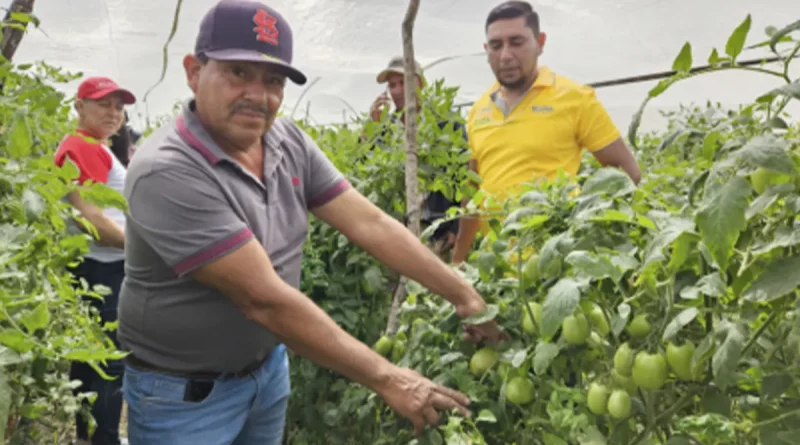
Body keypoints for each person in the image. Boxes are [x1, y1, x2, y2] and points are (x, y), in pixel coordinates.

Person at [118, 2, 504, 445]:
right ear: (193, 71)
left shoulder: (286, 140)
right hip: (184, 400)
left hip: (266, 372)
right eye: (238, 73)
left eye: (273, 81)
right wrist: (391, 378)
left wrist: (463, 294)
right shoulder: (166, 171)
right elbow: (263, 301)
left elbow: (370, 222)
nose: (258, 95)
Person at [451, 1, 642, 263]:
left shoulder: (575, 99)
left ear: (540, 42)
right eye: (496, 45)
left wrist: (610, 238)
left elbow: (627, 173)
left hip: (556, 265)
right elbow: (472, 191)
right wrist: (458, 261)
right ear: (486, 50)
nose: (505, 55)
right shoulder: (478, 110)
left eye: (516, 42)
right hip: (495, 273)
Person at [54, 76, 135, 445]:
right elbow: (90, 218)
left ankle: (86, 436)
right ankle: (104, 438)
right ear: (79, 105)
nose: (113, 113)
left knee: (89, 358)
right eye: (103, 104)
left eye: (118, 106)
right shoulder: (82, 148)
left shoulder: (91, 145)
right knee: (108, 361)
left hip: (93, 265)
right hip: (103, 267)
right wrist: (142, 248)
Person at [368, 56, 466, 254]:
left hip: (436, 231)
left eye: (403, 83)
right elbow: (365, 173)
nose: (396, 91)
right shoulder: (386, 128)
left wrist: (457, 227)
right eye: (392, 85)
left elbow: (465, 175)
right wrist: (372, 130)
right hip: (396, 232)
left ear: (419, 83)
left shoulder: (446, 123)